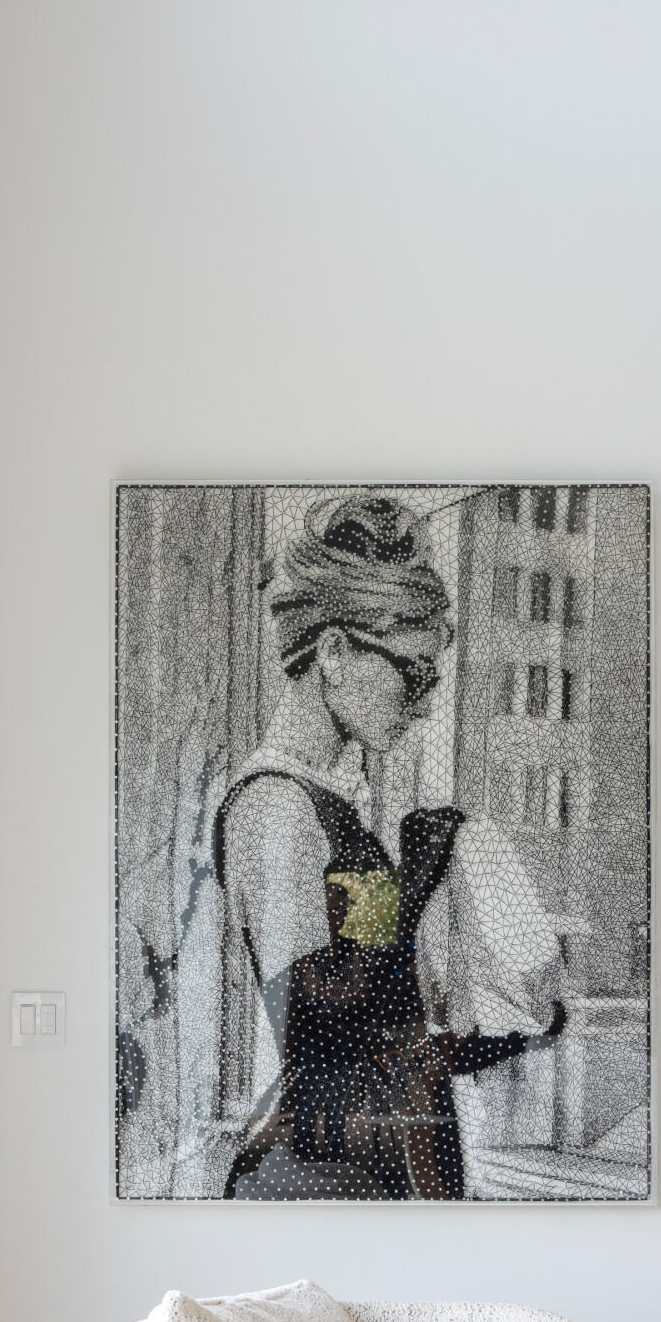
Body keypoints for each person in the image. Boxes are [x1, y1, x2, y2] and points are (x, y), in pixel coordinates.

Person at [214, 492, 560, 1201]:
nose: (426, 701)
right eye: (413, 672)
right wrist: (424, 883)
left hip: (374, 1162)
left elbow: (383, 1011)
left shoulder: (328, 804)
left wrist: (516, 1023)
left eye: (432, 678)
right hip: (316, 1174)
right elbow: (320, 1037)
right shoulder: (275, 805)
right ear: (335, 652)